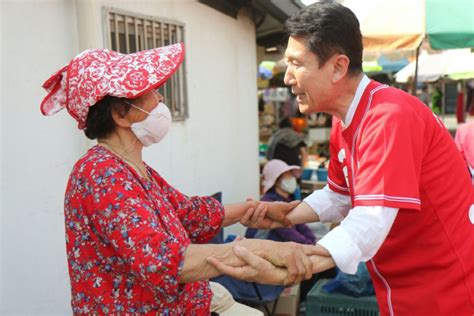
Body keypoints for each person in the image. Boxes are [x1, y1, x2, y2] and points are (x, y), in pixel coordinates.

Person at [211, 3, 474, 315]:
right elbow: (339, 195)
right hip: (401, 280)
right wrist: (287, 215)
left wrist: (301, 260)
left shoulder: (388, 116)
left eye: (297, 64)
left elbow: (370, 219)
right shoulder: (345, 119)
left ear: (337, 66)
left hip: (448, 284)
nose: (288, 78)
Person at [40, 44, 331, 314]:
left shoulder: (133, 169)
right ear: (120, 113)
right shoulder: (101, 174)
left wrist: (258, 212)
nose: (161, 98)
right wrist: (254, 249)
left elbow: (189, 213)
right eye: (152, 91)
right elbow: (161, 260)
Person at [246, 159, 316, 245]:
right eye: (287, 176)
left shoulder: (289, 198)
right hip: (261, 247)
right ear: (276, 181)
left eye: (291, 175)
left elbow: (300, 223)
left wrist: (312, 239)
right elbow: (286, 231)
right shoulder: (268, 201)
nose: (292, 178)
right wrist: (308, 244)